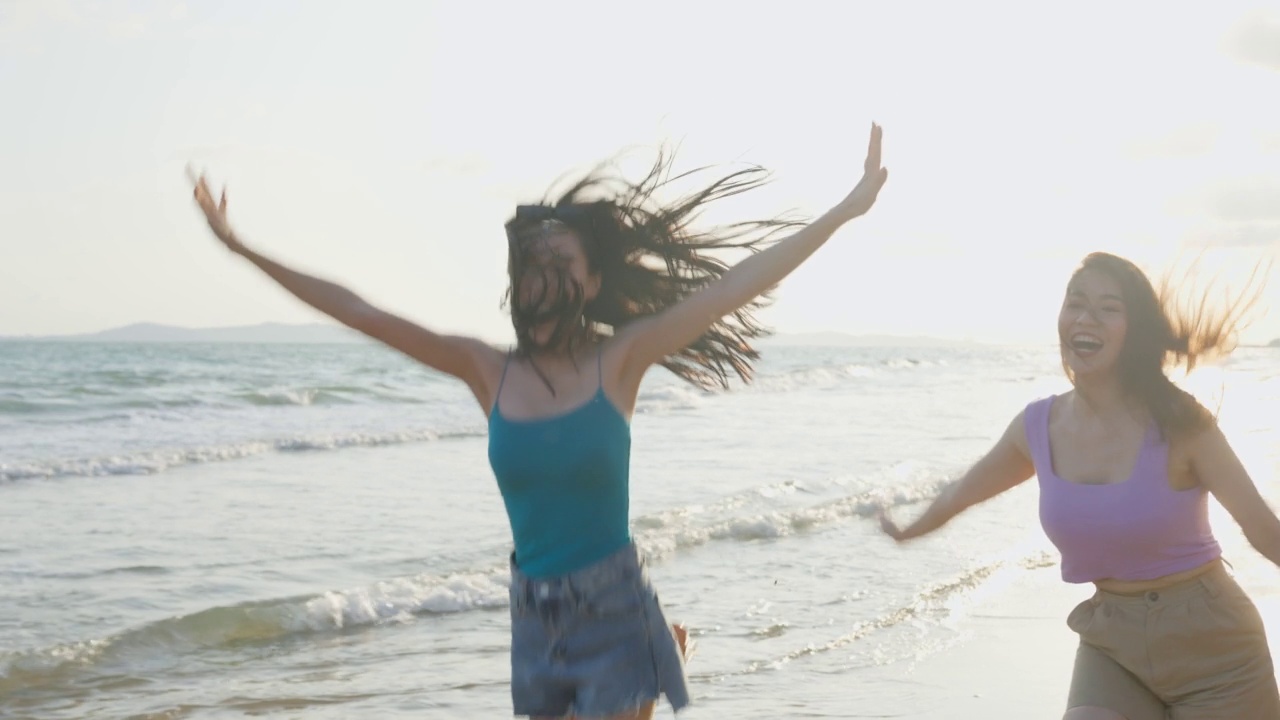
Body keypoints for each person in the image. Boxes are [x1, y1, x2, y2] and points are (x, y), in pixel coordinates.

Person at [188, 124, 889, 719]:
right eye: (532, 262)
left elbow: (739, 283)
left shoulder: (622, 361)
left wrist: (845, 209)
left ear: (590, 283)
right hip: (534, 617)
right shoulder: (483, 370)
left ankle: (649, 651)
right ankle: (664, 648)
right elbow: (360, 311)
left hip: (610, 604)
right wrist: (241, 248)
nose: (541, 274)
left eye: (561, 262)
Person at [878, 251, 1279, 719]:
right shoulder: (1038, 427)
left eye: (1109, 308)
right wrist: (911, 529)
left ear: (1135, 331)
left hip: (1215, 651)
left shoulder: (1182, 422)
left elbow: (1262, 528)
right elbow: (963, 491)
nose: (1086, 318)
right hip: (1113, 645)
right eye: (1076, 302)